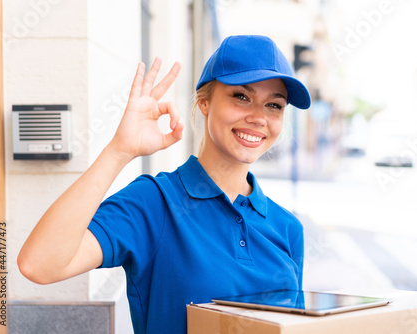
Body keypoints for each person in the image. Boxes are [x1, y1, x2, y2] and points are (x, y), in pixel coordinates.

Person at [18, 35, 311, 334]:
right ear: (204, 102)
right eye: (241, 97)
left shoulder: (288, 228)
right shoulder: (153, 203)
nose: (259, 117)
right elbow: (39, 264)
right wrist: (119, 151)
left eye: (274, 105)